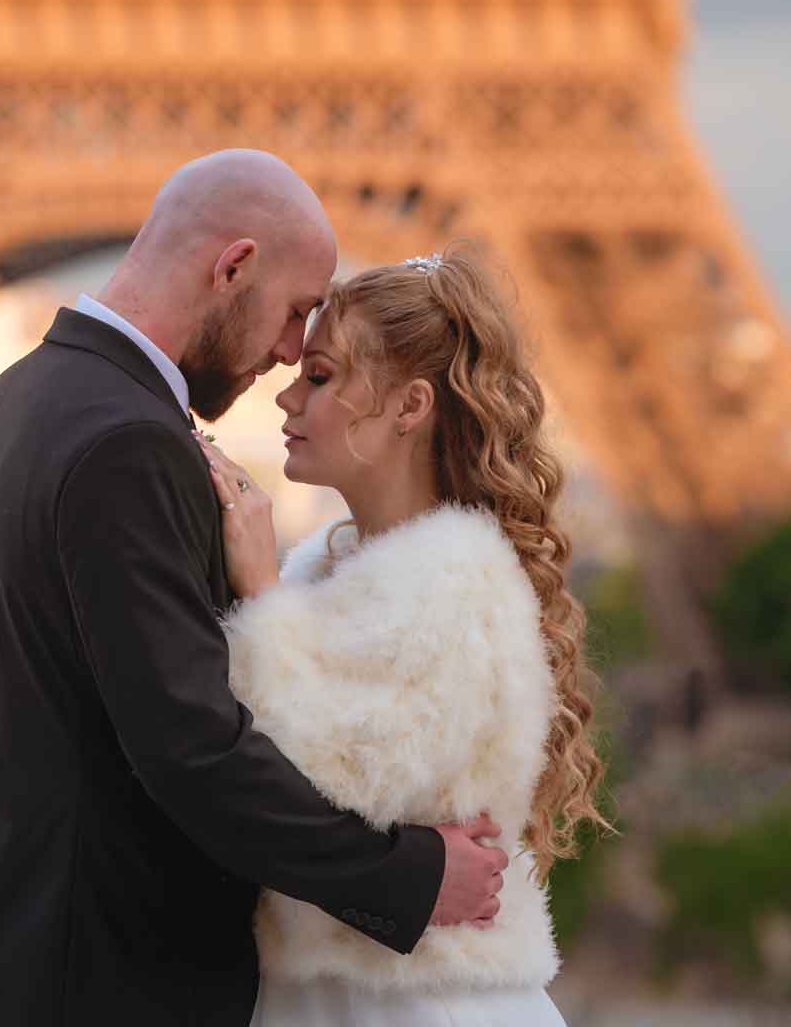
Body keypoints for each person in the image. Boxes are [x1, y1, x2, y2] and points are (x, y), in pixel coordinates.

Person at [0, 151, 511, 1026]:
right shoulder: (129, 442)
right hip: (112, 981)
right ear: (233, 266)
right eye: (293, 315)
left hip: (30, 955)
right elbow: (191, 748)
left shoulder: (20, 401)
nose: (289, 353)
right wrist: (409, 877)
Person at [195, 246, 610, 1027]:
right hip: (351, 990)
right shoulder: (339, 568)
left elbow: (347, 776)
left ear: (409, 406)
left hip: (416, 1005)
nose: (286, 398)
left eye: (320, 377)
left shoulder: (455, 578)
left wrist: (258, 595)